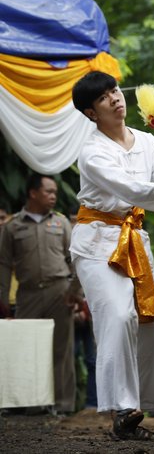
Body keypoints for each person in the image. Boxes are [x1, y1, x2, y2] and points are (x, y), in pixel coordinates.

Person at [69, 70, 154, 440]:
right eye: (105, 97)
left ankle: (141, 404)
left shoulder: (147, 141)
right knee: (117, 316)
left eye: (116, 90)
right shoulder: (91, 152)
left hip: (133, 239)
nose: (116, 98)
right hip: (96, 243)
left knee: (149, 326)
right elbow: (131, 188)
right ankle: (121, 408)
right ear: (92, 113)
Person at [0, 173, 80, 414]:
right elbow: (3, 263)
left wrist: (75, 291)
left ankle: (63, 405)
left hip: (60, 292)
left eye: (55, 192)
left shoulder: (61, 222)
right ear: (33, 193)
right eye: (48, 191)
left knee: (61, 350)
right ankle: (31, 405)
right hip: (28, 293)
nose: (54, 196)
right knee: (27, 348)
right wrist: (3, 297)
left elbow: (74, 258)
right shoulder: (13, 226)